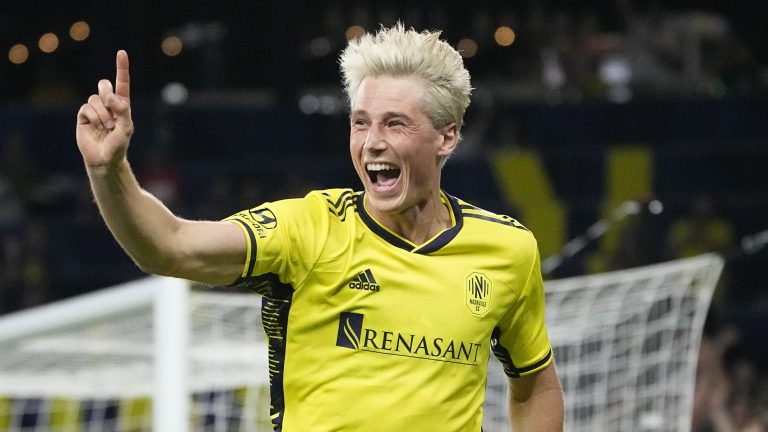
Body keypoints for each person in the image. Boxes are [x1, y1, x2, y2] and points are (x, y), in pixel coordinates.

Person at [75, 23, 563, 431]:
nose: (371, 142)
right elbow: (170, 247)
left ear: (447, 136)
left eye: (395, 124)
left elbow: (535, 382)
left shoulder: (507, 249)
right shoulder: (308, 229)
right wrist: (107, 170)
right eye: (360, 122)